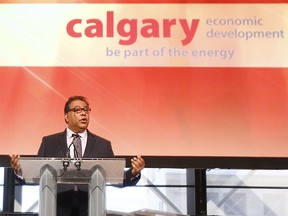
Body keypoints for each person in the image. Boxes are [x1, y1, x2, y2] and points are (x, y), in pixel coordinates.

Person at [11, 95, 145, 216]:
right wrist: (19, 171)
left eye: (86, 110)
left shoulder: (103, 145)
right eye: (77, 110)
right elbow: (36, 175)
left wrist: (133, 172)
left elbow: (117, 178)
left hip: (91, 209)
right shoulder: (49, 142)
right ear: (66, 117)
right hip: (56, 209)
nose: (83, 113)